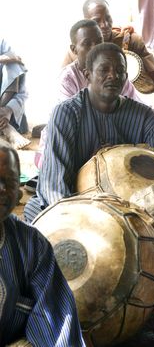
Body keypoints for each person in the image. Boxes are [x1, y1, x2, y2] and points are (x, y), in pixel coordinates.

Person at [25, 42, 154, 272]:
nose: (113, 76)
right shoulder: (67, 113)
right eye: (104, 70)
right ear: (87, 74)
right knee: (36, 214)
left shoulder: (142, 115)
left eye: (120, 71)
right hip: (88, 211)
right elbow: (55, 183)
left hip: (143, 210)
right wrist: (76, 225)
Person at [33, 19, 154, 172]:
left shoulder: (116, 76)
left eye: (99, 41)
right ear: (74, 50)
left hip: (110, 137)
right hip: (79, 139)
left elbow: (136, 109)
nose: (95, 47)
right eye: (87, 43)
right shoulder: (68, 79)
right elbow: (68, 121)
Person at [0, 138, 85, 346]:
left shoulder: (32, 244)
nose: (1, 189)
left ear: (19, 193)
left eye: (9, 182)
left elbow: (56, 322)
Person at [62, 0, 154, 116]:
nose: (105, 25)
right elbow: (65, 92)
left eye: (108, 18)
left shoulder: (129, 40)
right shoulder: (76, 54)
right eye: (97, 20)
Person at [0, 39, 30, 149]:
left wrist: (8, 110)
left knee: (14, 65)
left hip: (9, 113)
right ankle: (8, 129)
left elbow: (14, 57)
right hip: (5, 120)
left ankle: (3, 113)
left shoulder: (1, 42)